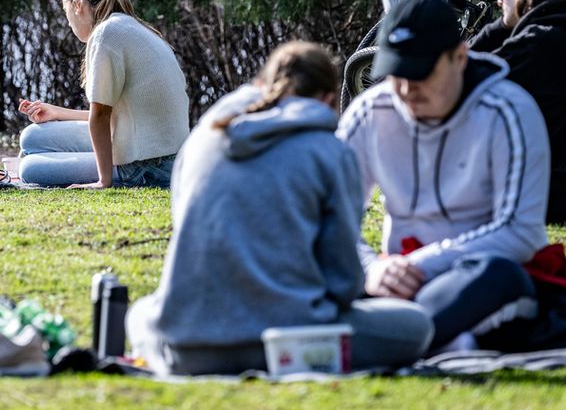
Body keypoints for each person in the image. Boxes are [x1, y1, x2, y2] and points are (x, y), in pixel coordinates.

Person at [127, 41, 434, 375]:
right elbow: (343, 282)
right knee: (416, 326)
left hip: (189, 349)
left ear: (264, 85)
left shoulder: (204, 139)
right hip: (289, 344)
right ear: (328, 99)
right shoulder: (330, 152)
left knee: (139, 312)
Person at [338, 0, 566, 352]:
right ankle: (421, 339)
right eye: (397, 72)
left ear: (459, 58)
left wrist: (418, 264)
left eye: (420, 72)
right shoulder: (370, 112)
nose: (406, 89)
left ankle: (384, 337)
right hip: (391, 279)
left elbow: (519, 232)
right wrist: (373, 269)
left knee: (498, 278)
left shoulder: (509, 112)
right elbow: (331, 216)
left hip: (472, 275)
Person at [16, 0, 189, 188]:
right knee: (31, 138)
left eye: (66, 11)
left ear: (77, 5)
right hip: (167, 157)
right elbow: (114, 114)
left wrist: (102, 182)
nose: (68, 21)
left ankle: (107, 176)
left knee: (31, 168)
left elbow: (100, 117)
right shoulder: (126, 26)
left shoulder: (105, 34)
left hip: (146, 168)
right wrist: (57, 113)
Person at [470, 0, 566, 222]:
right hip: (548, 177)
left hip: (541, 186)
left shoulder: (540, 41)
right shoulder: (557, 30)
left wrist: (498, 27)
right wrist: (504, 23)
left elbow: (461, 75)